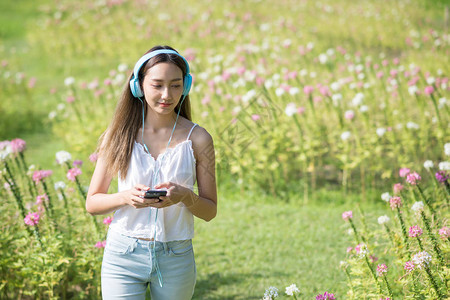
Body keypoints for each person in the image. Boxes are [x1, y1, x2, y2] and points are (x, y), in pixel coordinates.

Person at [86, 45, 217, 300]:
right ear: (139, 86)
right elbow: (93, 202)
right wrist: (125, 197)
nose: (167, 94)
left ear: (186, 86)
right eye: (157, 85)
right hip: (122, 255)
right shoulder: (117, 135)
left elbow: (210, 211)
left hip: (176, 258)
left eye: (176, 85)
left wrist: (185, 197)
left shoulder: (199, 138)